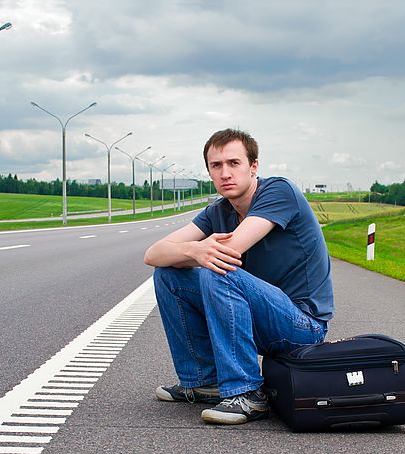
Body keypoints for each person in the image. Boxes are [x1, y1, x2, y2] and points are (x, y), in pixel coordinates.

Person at [143, 128, 334, 425]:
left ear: (253, 166)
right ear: (209, 172)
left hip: (302, 325)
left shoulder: (278, 192)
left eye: (234, 163)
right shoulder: (217, 212)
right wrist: (194, 251)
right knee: (168, 275)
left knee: (218, 268)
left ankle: (248, 393)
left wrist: (198, 252)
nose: (225, 173)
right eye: (216, 166)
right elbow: (153, 254)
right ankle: (204, 381)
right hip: (256, 318)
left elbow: (228, 251)